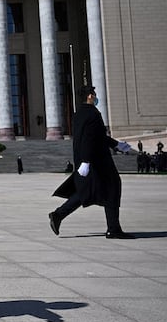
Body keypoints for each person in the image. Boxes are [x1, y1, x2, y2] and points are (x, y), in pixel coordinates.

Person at [49, 85, 134, 239]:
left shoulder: (78, 114)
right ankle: (113, 229)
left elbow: (96, 136)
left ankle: (58, 215)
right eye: (94, 94)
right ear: (89, 96)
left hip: (88, 160)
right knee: (111, 187)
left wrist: (116, 144)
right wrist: (87, 161)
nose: (95, 97)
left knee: (87, 192)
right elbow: (90, 138)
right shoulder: (93, 114)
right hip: (98, 161)